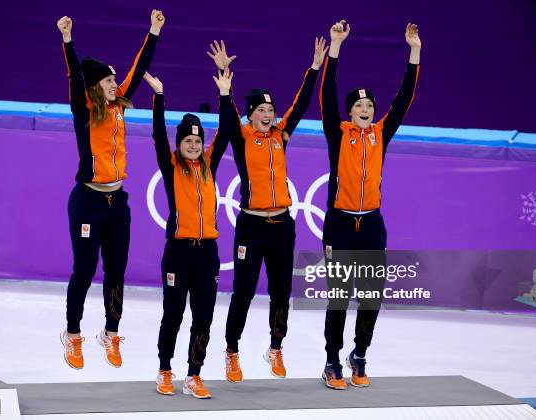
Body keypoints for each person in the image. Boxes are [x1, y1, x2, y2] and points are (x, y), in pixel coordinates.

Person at [207, 38, 328, 381]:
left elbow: (302, 104)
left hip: (282, 226)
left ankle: (276, 347)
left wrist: (315, 66)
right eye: (262, 110)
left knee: (281, 291)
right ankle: (232, 351)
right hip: (251, 226)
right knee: (243, 292)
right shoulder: (242, 137)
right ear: (250, 114)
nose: (268, 114)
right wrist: (223, 78)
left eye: (271, 110)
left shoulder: (281, 134)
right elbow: (228, 113)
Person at [57, 10, 165, 370]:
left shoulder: (119, 106)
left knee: (116, 271)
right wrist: (68, 40)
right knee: (85, 269)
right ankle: (73, 334)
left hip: (117, 200)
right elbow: (75, 75)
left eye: (116, 80)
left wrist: (152, 31)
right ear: (95, 85)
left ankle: (111, 332)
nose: (115, 84)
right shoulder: (84, 110)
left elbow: (138, 66)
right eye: (109, 81)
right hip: (88, 200)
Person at [318, 20, 421, 389]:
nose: (365, 108)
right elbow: (327, 93)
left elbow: (403, 99)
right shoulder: (338, 133)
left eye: (369, 105)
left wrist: (414, 51)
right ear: (349, 112)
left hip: (372, 224)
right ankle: (332, 361)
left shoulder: (380, 133)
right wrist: (335, 46)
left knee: (370, 297)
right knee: (339, 298)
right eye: (359, 105)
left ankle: (359, 354)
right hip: (341, 224)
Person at [143, 69, 234, 398]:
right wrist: (159, 97)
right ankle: (165, 369)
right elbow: (156, 135)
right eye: (187, 141)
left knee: (204, 317)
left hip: (207, 253)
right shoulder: (170, 167)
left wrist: (225, 95)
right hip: (178, 252)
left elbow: (224, 135)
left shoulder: (210, 163)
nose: (194, 146)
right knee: (173, 313)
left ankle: (194, 374)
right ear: (179, 144)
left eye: (197, 141)